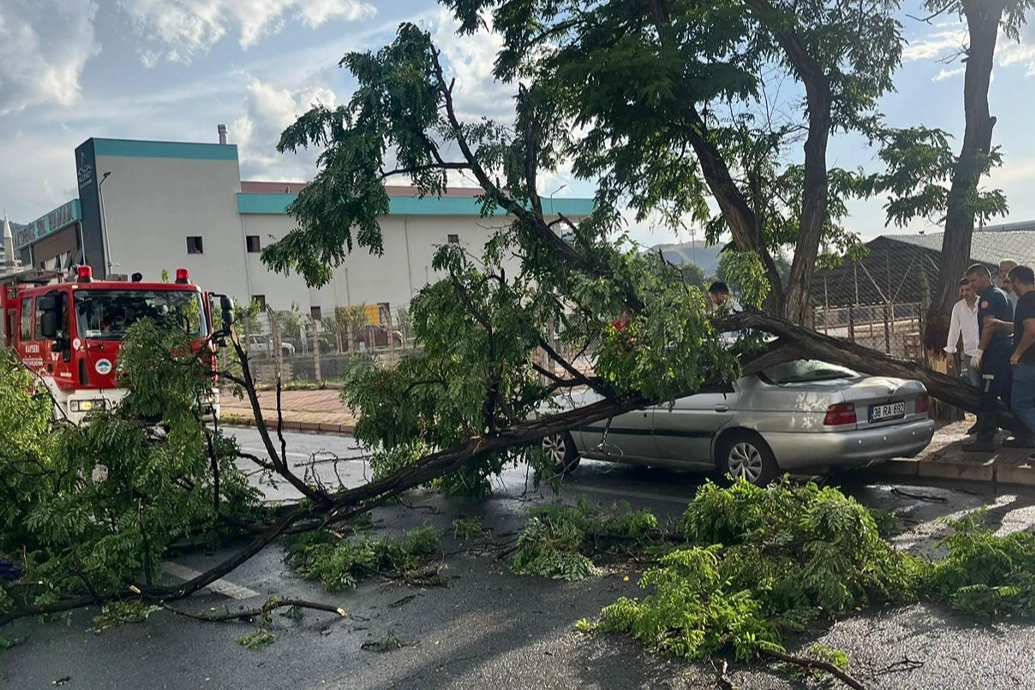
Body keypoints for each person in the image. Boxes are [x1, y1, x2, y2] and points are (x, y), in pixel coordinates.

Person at [962, 263, 1015, 452]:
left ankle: (984, 440)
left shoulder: (988, 297)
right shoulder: (1002, 295)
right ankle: (1025, 432)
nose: (972, 285)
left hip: (994, 354)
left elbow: (989, 325)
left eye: (974, 280)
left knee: (986, 396)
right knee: (1009, 394)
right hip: (1006, 351)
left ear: (985, 277)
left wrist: (980, 352)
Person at [1007, 265, 1035, 453]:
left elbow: (1031, 330)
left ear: (1016, 281)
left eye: (1011, 282)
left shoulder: (1026, 301)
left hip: (1028, 361)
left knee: (1020, 403)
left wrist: (1017, 353)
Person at [945, 277, 981, 388]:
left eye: (968, 290)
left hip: (985, 351)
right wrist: (950, 351)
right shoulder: (958, 307)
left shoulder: (983, 303)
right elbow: (954, 329)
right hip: (970, 352)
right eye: (962, 290)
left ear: (974, 289)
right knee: (975, 385)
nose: (965, 293)